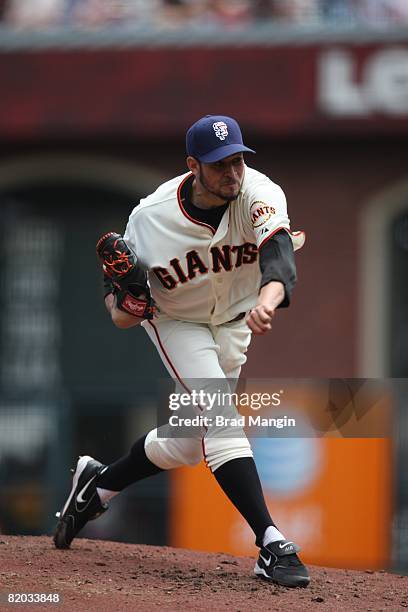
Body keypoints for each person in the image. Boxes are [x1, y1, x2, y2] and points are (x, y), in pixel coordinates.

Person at [53, 114, 310, 588]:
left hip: (236, 321)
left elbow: (280, 257)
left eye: (236, 160)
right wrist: (126, 303)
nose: (232, 172)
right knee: (220, 415)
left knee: (187, 444)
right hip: (177, 323)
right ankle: (271, 542)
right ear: (194, 166)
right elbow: (121, 312)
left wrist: (267, 303)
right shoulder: (150, 219)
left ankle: (99, 483)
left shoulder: (259, 192)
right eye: (219, 165)